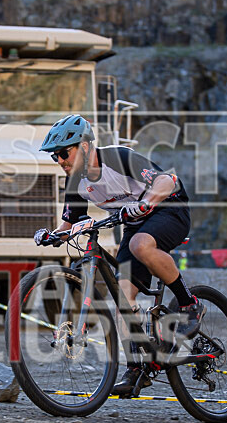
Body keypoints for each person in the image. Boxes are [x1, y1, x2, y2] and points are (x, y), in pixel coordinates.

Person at [33, 114, 204, 396]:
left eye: (64, 152)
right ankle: (137, 368)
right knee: (123, 297)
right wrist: (51, 235)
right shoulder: (75, 182)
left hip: (169, 209)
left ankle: (189, 303)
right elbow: (69, 224)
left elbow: (167, 180)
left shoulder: (119, 158)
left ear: (85, 146)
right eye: (55, 157)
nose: (61, 161)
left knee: (139, 244)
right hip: (135, 224)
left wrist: (147, 202)